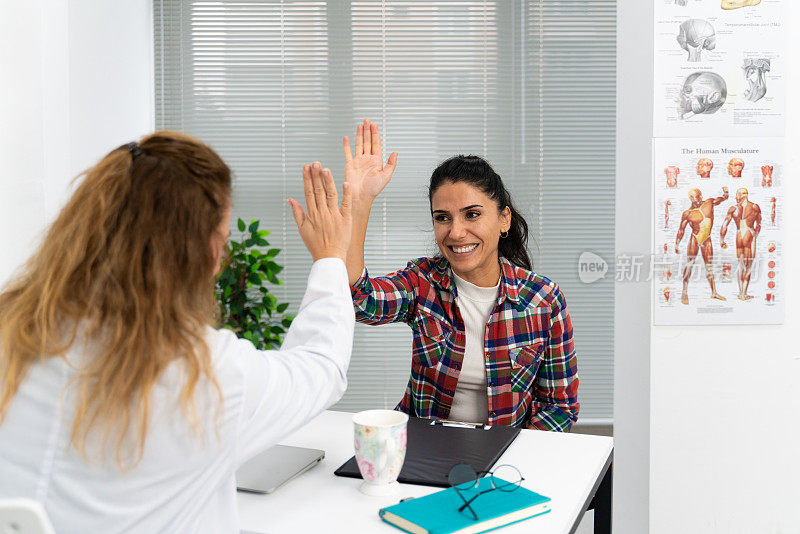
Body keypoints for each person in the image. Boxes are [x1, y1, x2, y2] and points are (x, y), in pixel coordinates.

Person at [0, 131, 354, 532]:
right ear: (199, 254)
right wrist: (330, 258)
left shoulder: (11, 331)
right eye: (220, 241)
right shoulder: (203, 375)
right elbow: (321, 367)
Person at [342, 120, 579, 431]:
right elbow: (358, 302)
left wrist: (508, 461)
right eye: (443, 218)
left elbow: (558, 407)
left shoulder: (543, 299)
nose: (455, 232)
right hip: (424, 447)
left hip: (505, 457)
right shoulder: (422, 282)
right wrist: (359, 204)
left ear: (503, 219)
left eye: (473, 214)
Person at [675, 186, 729, 304]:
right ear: (690, 199)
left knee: (709, 266)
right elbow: (681, 230)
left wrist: (726, 192)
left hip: (707, 239)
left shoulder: (709, 203)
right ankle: (684, 292)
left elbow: (724, 198)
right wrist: (677, 244)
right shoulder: (688, 213)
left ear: (701, 195)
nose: (696, 199)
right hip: (695, 238)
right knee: (690, 264)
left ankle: (714, 292)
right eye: (693, 197)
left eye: (698, 196)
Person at [720, 188, 761, 300]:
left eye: (737, 194)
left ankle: (740, 293)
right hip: (749, 233)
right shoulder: (754, 207)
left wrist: (721, 240)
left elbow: (724, 225)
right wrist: (755, 235)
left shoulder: (733, 209)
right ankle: (744, 293)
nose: (736, 197)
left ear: (743, 195)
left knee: (741, 265)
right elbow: (759, 224)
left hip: (739, 235)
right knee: (748, 266)